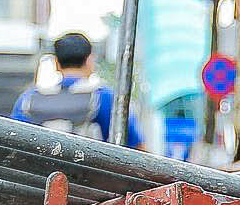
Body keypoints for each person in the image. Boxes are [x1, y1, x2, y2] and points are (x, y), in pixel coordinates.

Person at [12, 31, 144, 148]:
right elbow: (136, 146)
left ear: (56, 64)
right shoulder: (104, 97)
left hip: (42, 173)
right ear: (89, 61)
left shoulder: (28, 99)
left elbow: (14, 140)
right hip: (90, 173)